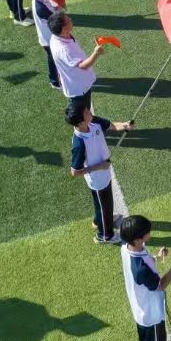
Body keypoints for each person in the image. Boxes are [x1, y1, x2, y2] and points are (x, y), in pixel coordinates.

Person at [67, 102, 134, 244]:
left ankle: (99, 221)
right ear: (80, 122)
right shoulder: (79, 144)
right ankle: (104, 236)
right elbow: (75, 171)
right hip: (97, 178)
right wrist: (99, 166)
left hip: (104, 171)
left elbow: (112, 125)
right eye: (86, 111)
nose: (89, 111)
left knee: (103, 204)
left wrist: (125, 125)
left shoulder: (93, 121)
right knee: (105, 205)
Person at [48, 11, 110, 107]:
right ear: (64, 29)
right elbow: (83, 66)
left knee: (85, 113)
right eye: (68, 20)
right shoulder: (64, 50)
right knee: (83, 114)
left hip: (78, 83)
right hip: (79, 89)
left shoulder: (58, 36)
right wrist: (96, 53)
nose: (71, 19)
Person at [27, 0, 62, 89]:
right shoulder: (40, 8)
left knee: (55, 58)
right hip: (49, 39)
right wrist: (60, 8)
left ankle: (58, 77)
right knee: (53, 59)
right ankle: (54, 81)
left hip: (48, 37)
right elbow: (55, 19)